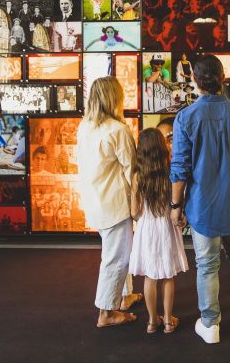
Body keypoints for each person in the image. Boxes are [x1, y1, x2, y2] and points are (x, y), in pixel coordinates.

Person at [170, 55, 230, 344]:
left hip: (202, 207)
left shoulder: (186, 117)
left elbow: (180, 168)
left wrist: (175, 206)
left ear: (195, 79)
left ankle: (210, 324)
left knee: (207, 265)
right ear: (223, 77)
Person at [76, 76, 141, 328]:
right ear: (114, 98)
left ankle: (124, 296)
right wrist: (137, 204)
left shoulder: (85, 127)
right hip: (115, 203)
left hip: (96, 201)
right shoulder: (118, 130)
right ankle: (106, 311)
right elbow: (132, 171)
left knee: (118, 250)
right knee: (117, 257)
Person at [129, 128, 188, 334]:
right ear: (162, 147)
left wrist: (142, 217)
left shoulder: (138, 176)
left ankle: (152, 321)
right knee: (168, 275)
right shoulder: (169, 171)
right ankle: (168, 322)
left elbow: (134, 211)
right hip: (166, 227)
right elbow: (177, 202)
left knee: (150, 277)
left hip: (147, 229)